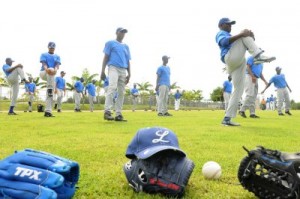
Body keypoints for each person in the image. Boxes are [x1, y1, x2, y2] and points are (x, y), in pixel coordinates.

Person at [216, 17, 276, 126]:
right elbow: (224, 42)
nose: (230, 26)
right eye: (227, 24)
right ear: (221, 25)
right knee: (243, 34)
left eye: (231, 24)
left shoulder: (233, 37)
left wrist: (251, 38)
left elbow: (245, 44)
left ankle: (227, 119)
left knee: (238, 90)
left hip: (237, 63)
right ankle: (258, 56)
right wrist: (243, 34)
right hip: (230, 58)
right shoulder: (221, 33)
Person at [101, 27, 131, 121]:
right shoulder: (110, 43)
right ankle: (107, 111)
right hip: (113, 67)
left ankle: (118, 114)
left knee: (121, 92)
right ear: (116, 33)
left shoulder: (126, 46)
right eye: (121, 32)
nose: (122, 34)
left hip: (123, 69)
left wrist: (129, 73)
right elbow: (106, 57)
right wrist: (102, 71)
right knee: (112, 87)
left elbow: (128, 60)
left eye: (124, 33)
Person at [40, 42, 61, 117]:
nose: (51, 49)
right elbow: (44, 64)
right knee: (50, 69)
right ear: (48, 47)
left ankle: (48, 111)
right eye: (50, 48)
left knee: (50, 93)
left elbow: (57, 65)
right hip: (43, 73)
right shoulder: (43, 54)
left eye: (53, 48)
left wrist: (55, 70)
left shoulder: (57, 56)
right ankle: (49, 89)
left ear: (54, 48)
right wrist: (47, 70)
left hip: (52, 74)